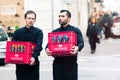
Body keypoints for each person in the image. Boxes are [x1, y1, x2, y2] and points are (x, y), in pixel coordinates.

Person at [45, 9, 84, 80]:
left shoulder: (75, 30)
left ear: (68, 19)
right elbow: (48, 45)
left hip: (71, 65)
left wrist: (77, 48)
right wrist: (47, 50)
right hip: (58, 65)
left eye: (62, 16)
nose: (60, 18)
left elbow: (81, 43)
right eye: (59, 16)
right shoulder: (55, 32)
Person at [12, 10, 43, 80]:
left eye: (33, 19)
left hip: (33, 62)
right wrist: (11, 58)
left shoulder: (38, 32)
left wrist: (34, 57)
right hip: (20, 63)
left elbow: (39, 46)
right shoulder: (18, 32)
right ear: (25, 19)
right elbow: (12, 46)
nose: (31, 20)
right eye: (29, 18)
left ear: (35, 20)